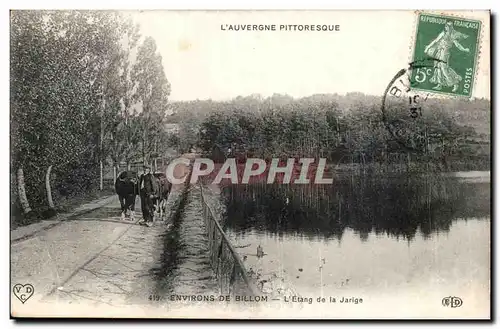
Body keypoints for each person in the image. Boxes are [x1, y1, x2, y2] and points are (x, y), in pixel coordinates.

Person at [424, 21, 470, 92]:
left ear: (451, 27)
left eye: (448, 26)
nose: (446, 28)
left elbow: (457, 45)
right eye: (446, 26)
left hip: (445, 53)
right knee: (438, 67)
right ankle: (439, 84)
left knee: (444, 68)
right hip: (439, 52)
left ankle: (455, 83)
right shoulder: (443, 33)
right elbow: (436, 41)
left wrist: (464, 49)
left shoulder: (453, 35)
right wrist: (427, 47)